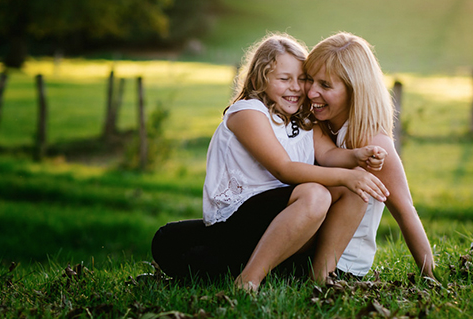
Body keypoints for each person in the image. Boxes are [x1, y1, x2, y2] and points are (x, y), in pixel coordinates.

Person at [151, 32, 389, 291]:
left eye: (302, 79)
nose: (297, 88)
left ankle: (322, 278)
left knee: (355, 192)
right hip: (237, 221)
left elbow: (329, 155)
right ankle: (248, 281)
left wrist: (357, 157)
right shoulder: (248, 113)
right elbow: (284, 169)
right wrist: (346, 176)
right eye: (285, 79)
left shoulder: (303, 119)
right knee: (316, 194)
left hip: (283, 216)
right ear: (260, 79)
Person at [304, 32, 436, 281]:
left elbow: (404, 211)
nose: (311, 92)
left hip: (341, 266)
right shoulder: (316, 126)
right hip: (304, 249)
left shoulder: (371, 142)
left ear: (354, 90)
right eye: (309, 80)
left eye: (325, 85)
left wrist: (432, 277)